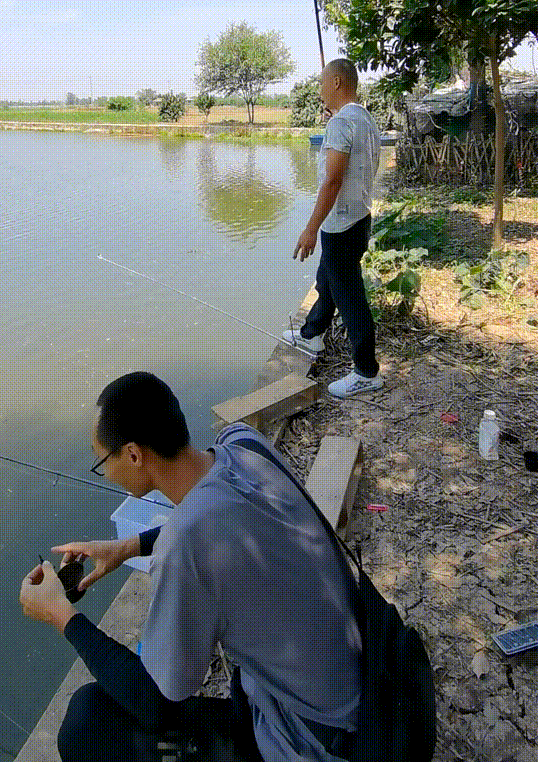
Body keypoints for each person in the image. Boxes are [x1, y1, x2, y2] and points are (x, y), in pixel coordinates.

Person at [20, 371, 362, 762]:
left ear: (133, 455)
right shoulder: (242, 443)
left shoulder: (185, 547)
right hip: (356, 679)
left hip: (316, 737)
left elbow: (159, 701)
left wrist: (61, 615)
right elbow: (218, 516)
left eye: (102, 462)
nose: (107, 473)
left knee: (85, 725)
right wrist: (127, 547)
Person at [283, 59, 382, 399]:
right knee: (328, 280)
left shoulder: (341, 123)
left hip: (340, 224)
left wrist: (311, 229)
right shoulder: (364, 118)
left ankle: (366, 372)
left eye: (323, 82)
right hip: (360, 217)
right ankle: (312, 334)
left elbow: (333, 180)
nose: (320, 90)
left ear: (337, 82)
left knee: (350, 297)